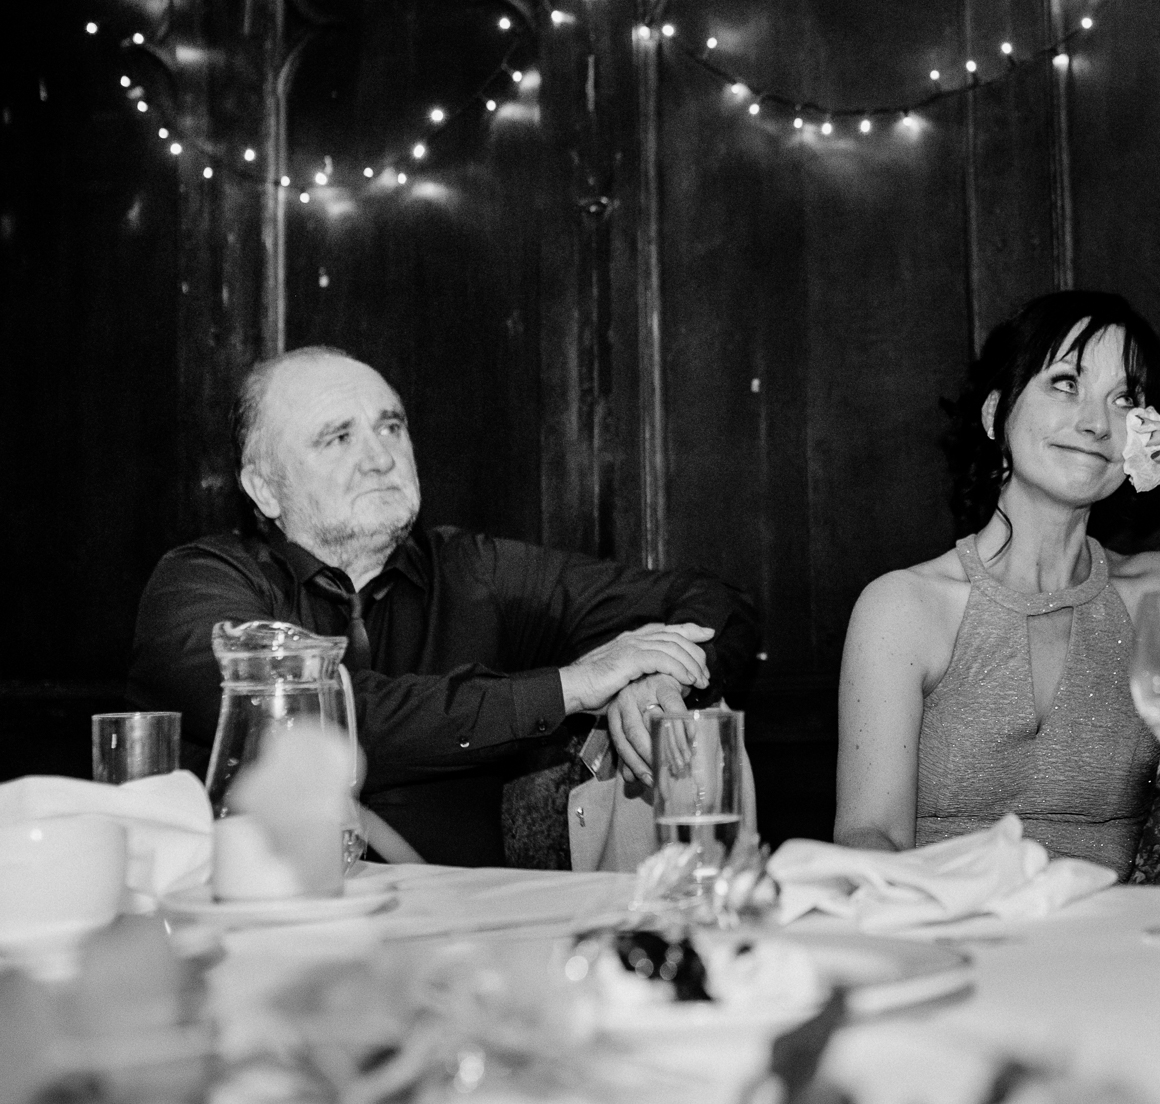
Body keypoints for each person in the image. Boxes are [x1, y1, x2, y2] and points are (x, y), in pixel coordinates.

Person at [128, 346, 758, 867]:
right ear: (265, 488)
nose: (379, 457)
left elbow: (715, 602)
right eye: (338, 437)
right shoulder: (201, 583)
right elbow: (322, 717)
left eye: (390, 426)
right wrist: (569, 687)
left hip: (473, 945)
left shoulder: (471, 569)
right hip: (262, 937)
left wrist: (658, 674)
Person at [834, 291, 1160, 878]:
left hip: (1114, 953)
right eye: (1065, 383)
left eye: (1123, 399)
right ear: (994, 414)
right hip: (955, 938)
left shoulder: (1157, 595)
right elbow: (867, 835)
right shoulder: (903, 608)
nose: (1095, 423)